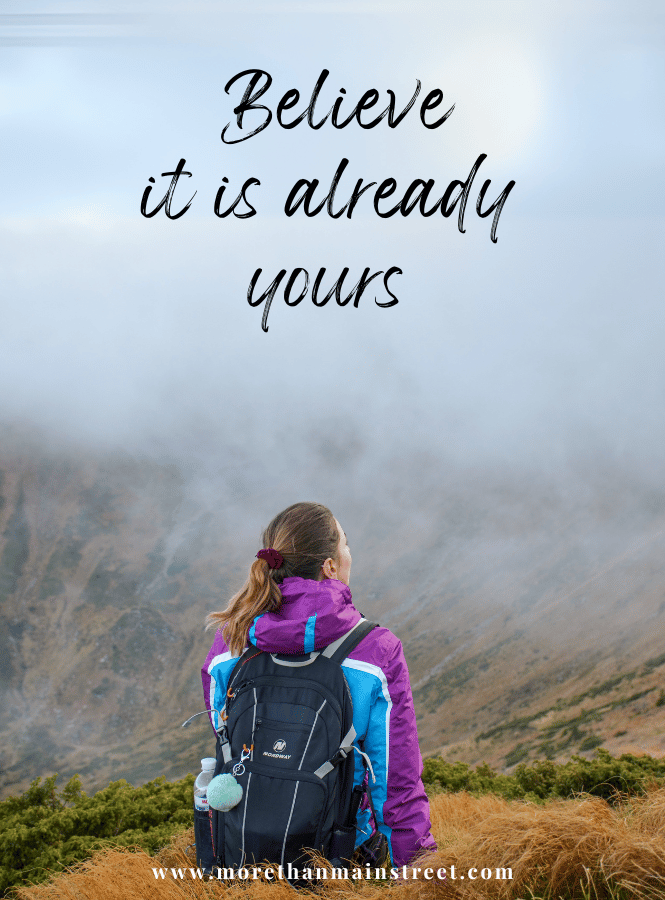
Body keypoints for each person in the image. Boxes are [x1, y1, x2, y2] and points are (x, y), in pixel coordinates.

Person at [201, 501, 436, 868]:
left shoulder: (229, 641)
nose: (349, 554)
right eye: (345, 544)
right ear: (329, 566)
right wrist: (419, 874)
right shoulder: (376, 651)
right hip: (336, 858)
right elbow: (395, 784)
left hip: (240, 849)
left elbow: (225, 734)